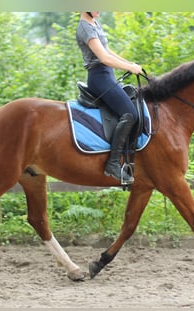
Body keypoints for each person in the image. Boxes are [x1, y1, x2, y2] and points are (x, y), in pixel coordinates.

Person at [76, 11, 142, 184]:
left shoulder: (95, 23)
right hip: (100, 78)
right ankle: (112, 163)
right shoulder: (85, 27)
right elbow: (103, 58)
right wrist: (128, 67)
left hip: (108, 75)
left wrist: (129, 64)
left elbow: (108, 51)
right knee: (130, 114)